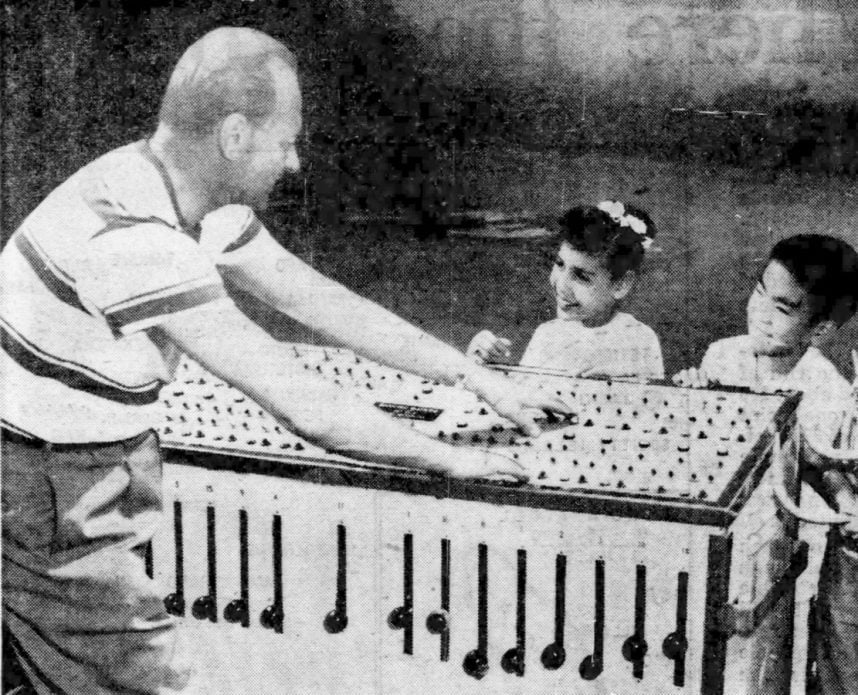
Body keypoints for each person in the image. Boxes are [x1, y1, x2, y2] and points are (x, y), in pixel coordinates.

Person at [0, 27, 571, 694]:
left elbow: (317, 299)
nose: (294, 161)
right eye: (286, 140)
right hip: (42, 489)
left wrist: (469, 374)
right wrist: (453, 458)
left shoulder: (172, 189)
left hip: (76, 474)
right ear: (235, 136)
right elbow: (301, 402)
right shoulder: (137, 239)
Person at [672, 234, 858, 695]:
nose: (760, 311)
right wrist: (691, 395)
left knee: (772, 666)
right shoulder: (723, 355)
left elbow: (821, 475)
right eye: (759, 291)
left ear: (819, 331)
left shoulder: (826, 390)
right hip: (728, 537)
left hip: (789, 556)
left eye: (783, 308)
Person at [467, 201, 664, 380]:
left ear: (620, 284)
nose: (561, 285)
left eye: (581, 276)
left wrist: (617, 387)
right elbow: (521, 396)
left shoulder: (640, 338)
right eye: (560, 264)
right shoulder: (547, 334)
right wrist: (482, 367)